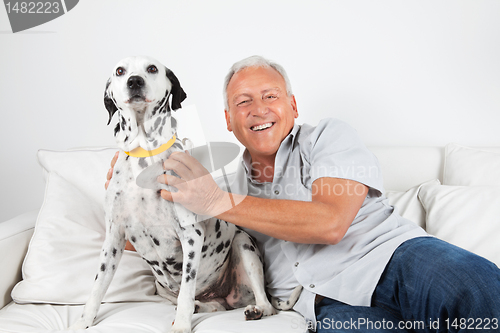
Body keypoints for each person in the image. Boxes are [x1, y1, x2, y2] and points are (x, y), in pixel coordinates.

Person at [107, 56, 500, 332]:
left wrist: (215, 202)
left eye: (270, 96)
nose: (258, 109)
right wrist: (127, 187)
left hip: (390, 259)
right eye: (242, 102)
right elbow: (151, 243)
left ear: (293, 106)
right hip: (323, 304)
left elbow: (331, 223)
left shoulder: (328, 138)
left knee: (478, 292)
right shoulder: (220, 185)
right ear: (228, 120)